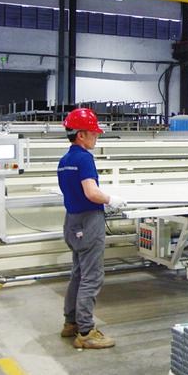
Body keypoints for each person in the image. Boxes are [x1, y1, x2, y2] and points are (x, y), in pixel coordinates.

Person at [58, 107, 127, 349]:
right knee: (92, 277)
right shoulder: (84, 158)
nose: (96, 137)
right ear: (81, 135)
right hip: (88, 223)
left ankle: (71, 323)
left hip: (72, 222)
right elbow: (91, 192)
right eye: (94, 133)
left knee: (78, 274)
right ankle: (86, 332)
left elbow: (74, 192)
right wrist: (111, 200)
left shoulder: (65, 160)